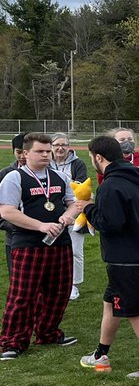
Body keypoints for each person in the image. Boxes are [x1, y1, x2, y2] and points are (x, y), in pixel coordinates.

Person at [78, 135, 139, 379]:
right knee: (111, 304)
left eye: (91, 157)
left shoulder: (110, 185)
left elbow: (110, 223)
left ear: (99, 157)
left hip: (126, 259)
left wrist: (88, 208)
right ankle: (101, 355)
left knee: (134, 310)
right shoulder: (137, 178)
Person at [0, 133, 84, 360]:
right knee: (23, 295)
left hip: (60, 243)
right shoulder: (15, 178)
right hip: (28, 244)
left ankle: (48, 332)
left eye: (48, 151)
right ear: (26, 153)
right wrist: (40, 226)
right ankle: (13, 341)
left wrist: (68, 216)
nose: (46, 155)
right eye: (40, 151)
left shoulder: (59, 176)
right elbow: (7, 211)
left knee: (59, 291)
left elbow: (73, 203)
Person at [50, 133, 88, 301]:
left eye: (64, 145)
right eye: (57, 145)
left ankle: (74, 284)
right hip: (51, 212)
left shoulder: (78, 164)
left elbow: (80, 188)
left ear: (69, 146)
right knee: (51, 249)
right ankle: (54, 282)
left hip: (76, 212)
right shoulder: (46, 162)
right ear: (51, 147)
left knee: (75, 250)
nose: (60, 148)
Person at [2, 133, 27, 273]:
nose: (22, 156)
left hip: (41, 237)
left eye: (25, 152)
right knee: (17, 278)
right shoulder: (5, 174)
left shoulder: (46, 173)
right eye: (18, 152)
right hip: (13, 238)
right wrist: (10, 226)